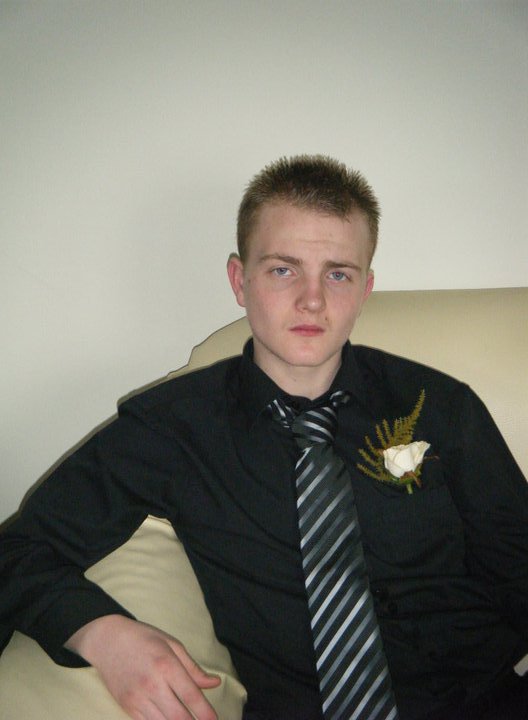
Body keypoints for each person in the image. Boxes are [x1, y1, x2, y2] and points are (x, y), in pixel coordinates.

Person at [1, 155, 527, 720]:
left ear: (365, 289)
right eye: (283, 270)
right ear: (239, 280)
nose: (312, 300)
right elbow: (18, 552)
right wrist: (102, 634)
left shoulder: (441, 407)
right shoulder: (173, 429)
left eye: (338, 274)